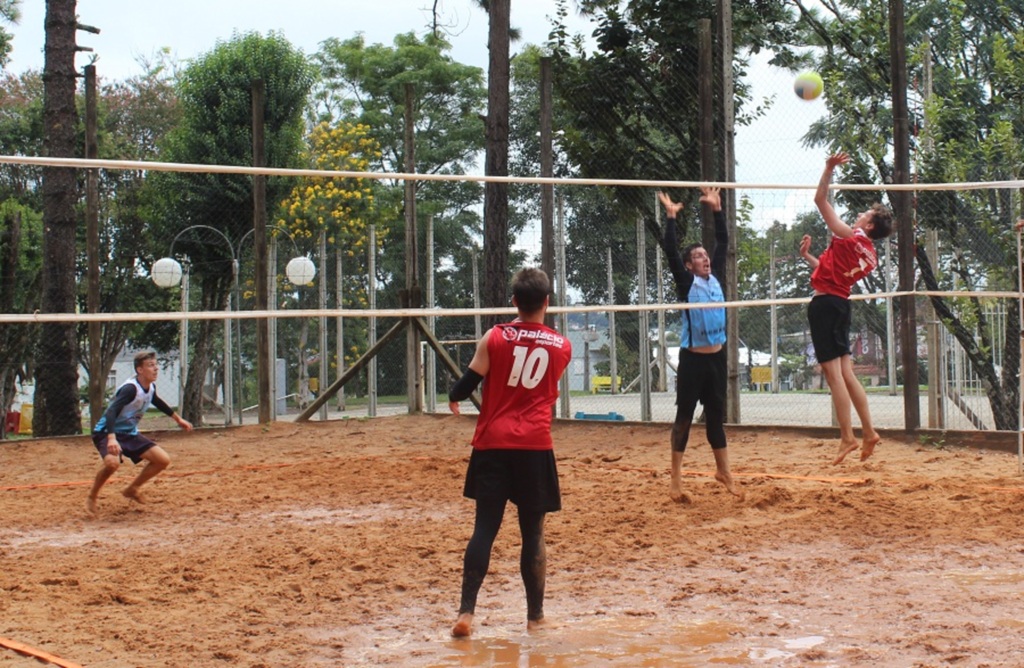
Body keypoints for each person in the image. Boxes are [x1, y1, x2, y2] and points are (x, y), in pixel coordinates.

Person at [447, 267, 572, 638]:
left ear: (514, 301)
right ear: (547, 302)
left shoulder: (495, 336)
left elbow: (468, 382)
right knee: (532, 533)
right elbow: (548, 388)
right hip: (534, 445)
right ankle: (535, 618)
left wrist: (454, 397)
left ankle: (466, 612)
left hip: (492, 444)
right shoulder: (561, 346)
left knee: (484, 527)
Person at [799, 151, 893, 465]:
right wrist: (810, 260)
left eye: (863, 214)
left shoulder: (852, 237)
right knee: (847, 373)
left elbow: (820, 200)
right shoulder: (869, 254)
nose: (858, 216)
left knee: (834, 375)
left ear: (867, 224)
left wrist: (828, 169)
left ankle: (846, 437)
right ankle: (868, 432)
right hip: (840, 303)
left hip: (826, 306)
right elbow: (835, 275)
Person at [656, 187, 742, 502]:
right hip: (692, 361)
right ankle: (676, 480)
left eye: (704, 255)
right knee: (683, 419)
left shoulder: (716, 276)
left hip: (717, 360)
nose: (704, 258)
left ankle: (724, 472)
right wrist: (670, 217)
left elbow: (723, 241)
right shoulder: (686, 282)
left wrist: (717, 209)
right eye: (697, 257)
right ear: (689, 265)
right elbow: (669, 250)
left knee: (716, 419)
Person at [87, 350, 193, 515]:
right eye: (151, 365)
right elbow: (111, 412)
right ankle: (92, 496)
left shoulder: (150, 387)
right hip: (107, 431)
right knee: (112, 464)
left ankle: (132, 489)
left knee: (162, 460)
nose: (156, 368)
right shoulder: (130, 389)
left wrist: (178, 420)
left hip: (129, 433)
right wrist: (112, 439)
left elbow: (156, 401)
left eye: (156, 365)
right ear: (139, 370)